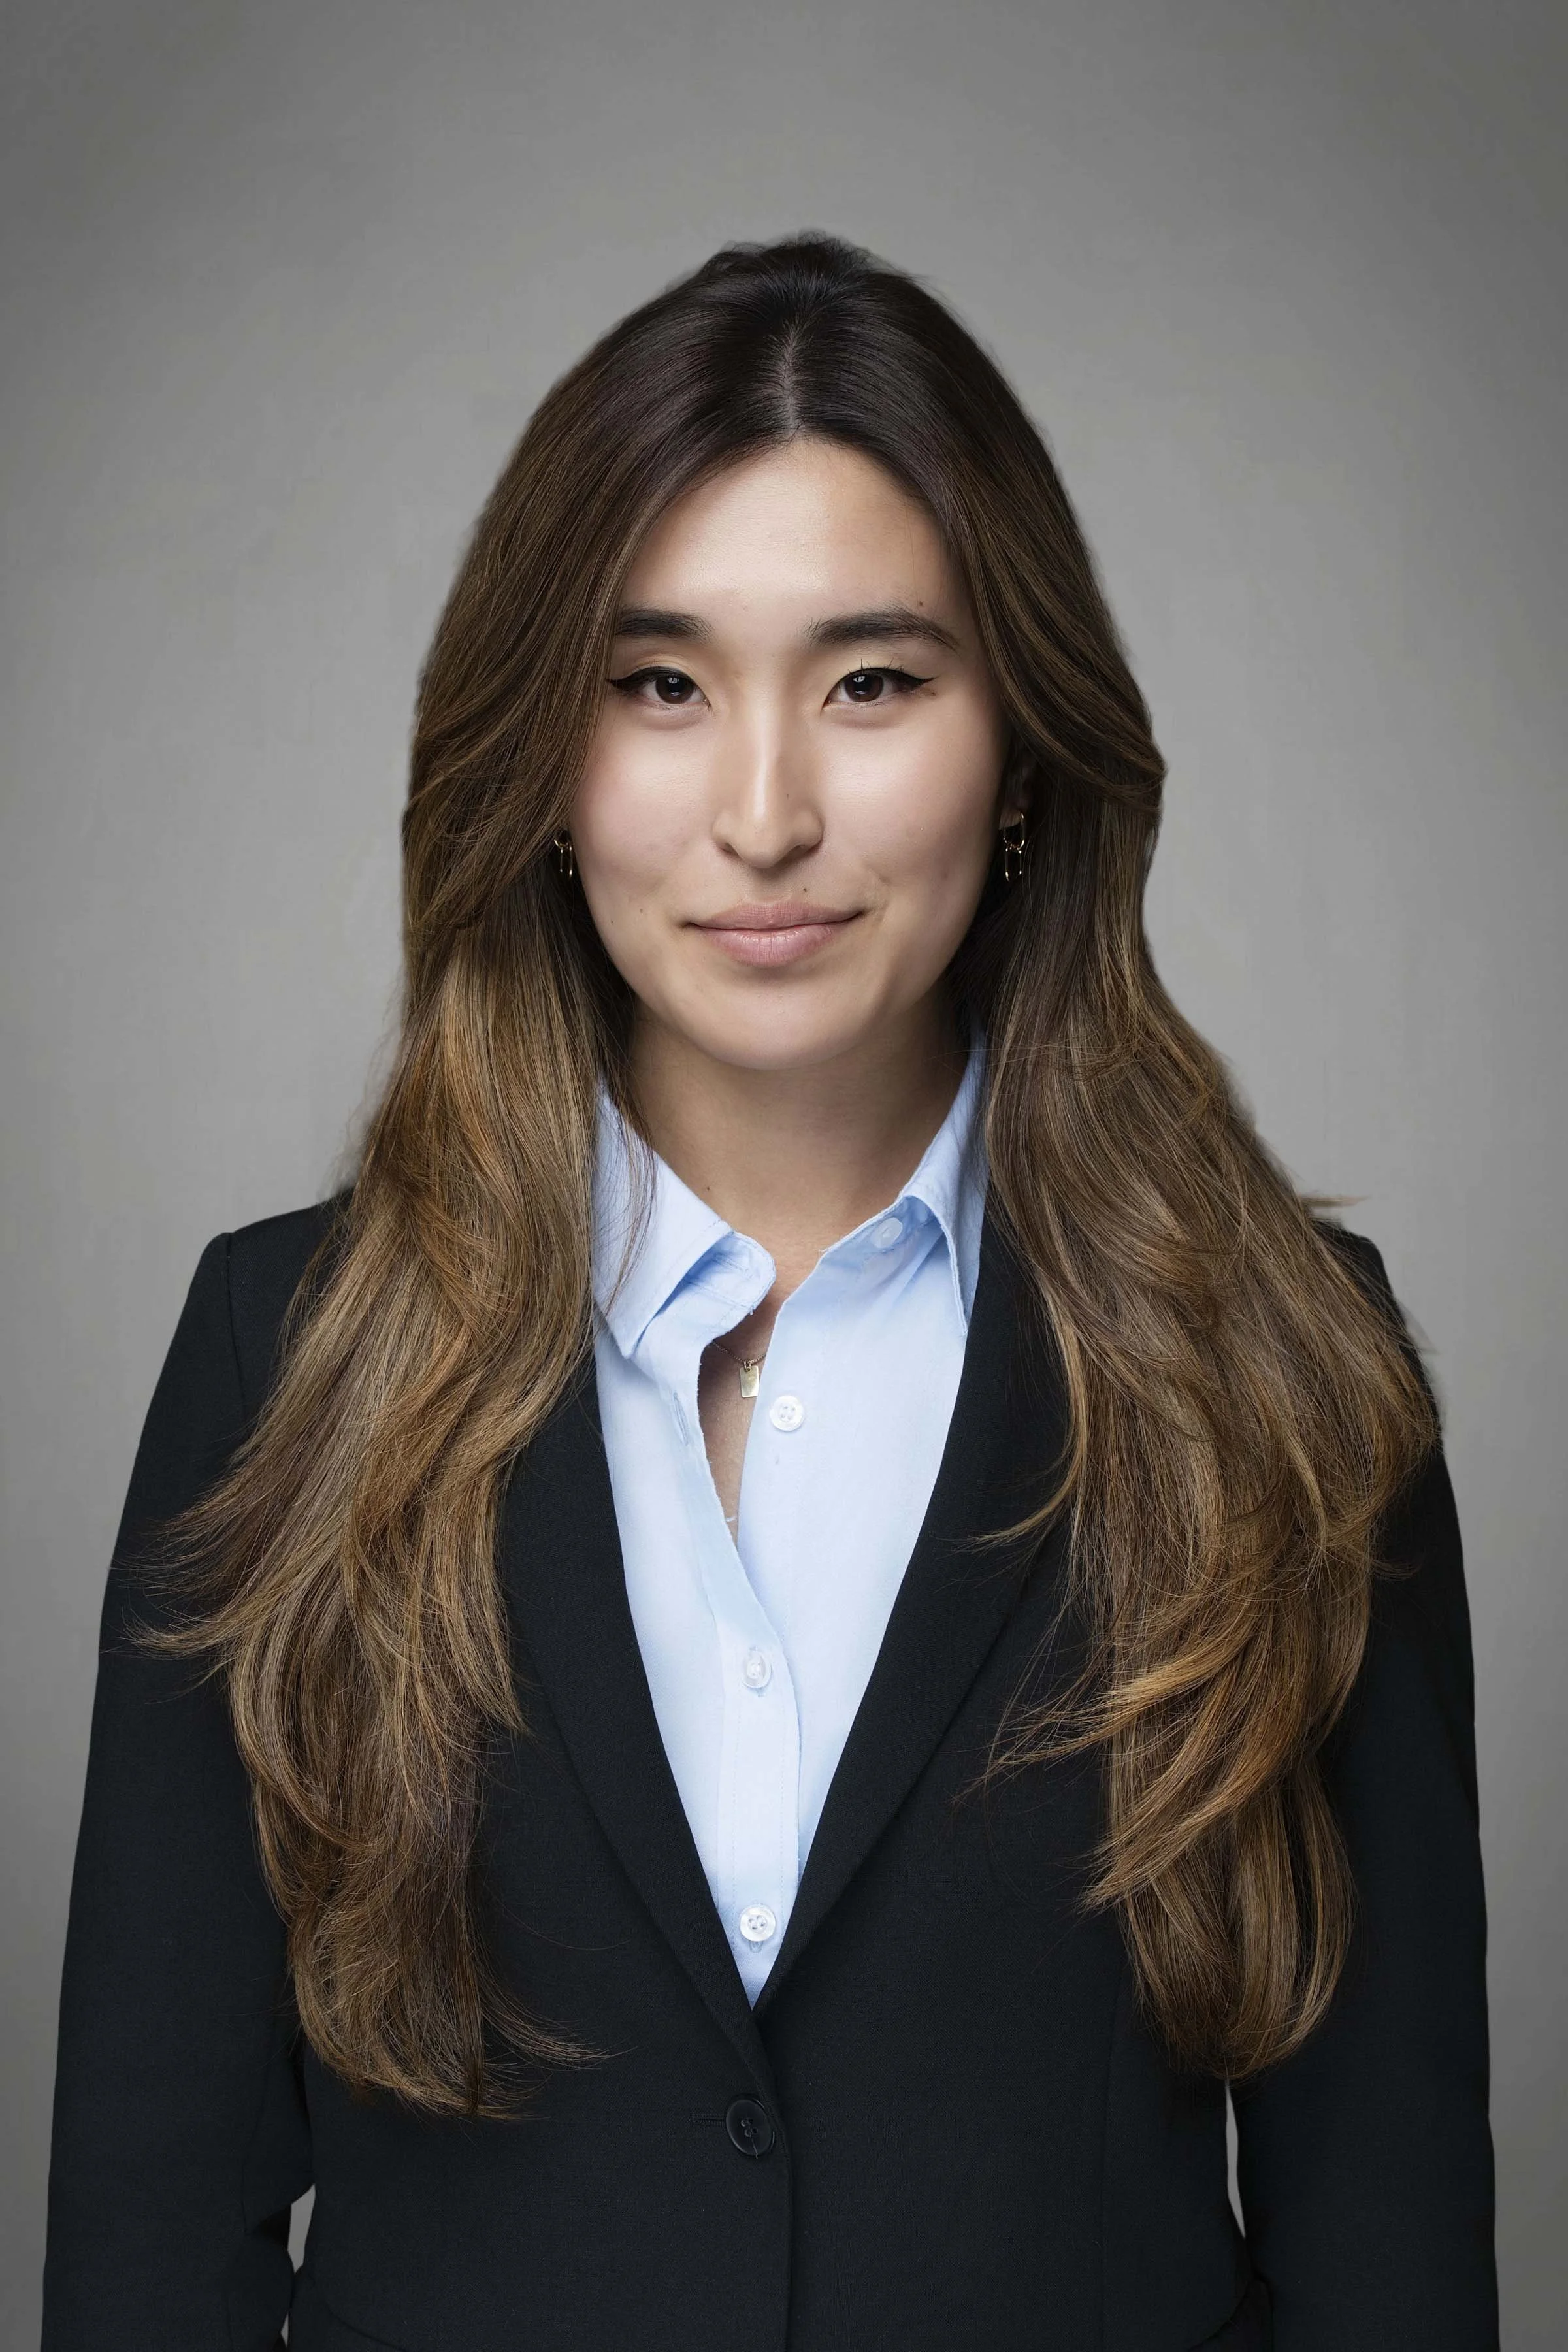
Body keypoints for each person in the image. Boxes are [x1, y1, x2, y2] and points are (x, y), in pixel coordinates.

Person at [41, 233, 1497, 2351]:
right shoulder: (283, 1363)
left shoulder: (1287, 1372)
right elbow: (146, 2251)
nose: (765, 812)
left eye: (873, 681)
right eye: (660, 685)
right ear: (545, 758)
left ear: (1022, 745)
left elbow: (1391, 2263)